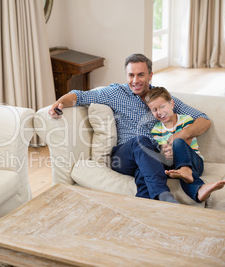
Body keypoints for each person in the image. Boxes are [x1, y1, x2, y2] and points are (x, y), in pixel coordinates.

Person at [48, 53, 212, 204]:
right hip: (124, 155)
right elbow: (80, 95)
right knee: (141, 141)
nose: (135, 80)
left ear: (150, 75)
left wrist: (180, 135)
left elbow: (203, 120)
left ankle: (148, 212)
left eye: (141, 75)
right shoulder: (115, 94)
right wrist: (59, 104)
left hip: (153, 158)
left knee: (146, 166)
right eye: (131, 75)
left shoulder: (161, 99)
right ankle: (165, 196)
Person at [145, 87, 225, 202]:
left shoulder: (185, 120)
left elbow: (184, 144)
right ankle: (200, 190)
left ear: (172, 104)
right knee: (176, 170)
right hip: (173, 165)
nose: (159, 112)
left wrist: (172, 144)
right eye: (154, 110)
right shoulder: (156, 130)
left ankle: (185, 169)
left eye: (162, 106)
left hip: (195, 163)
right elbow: (165, 153)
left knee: (178, 142)